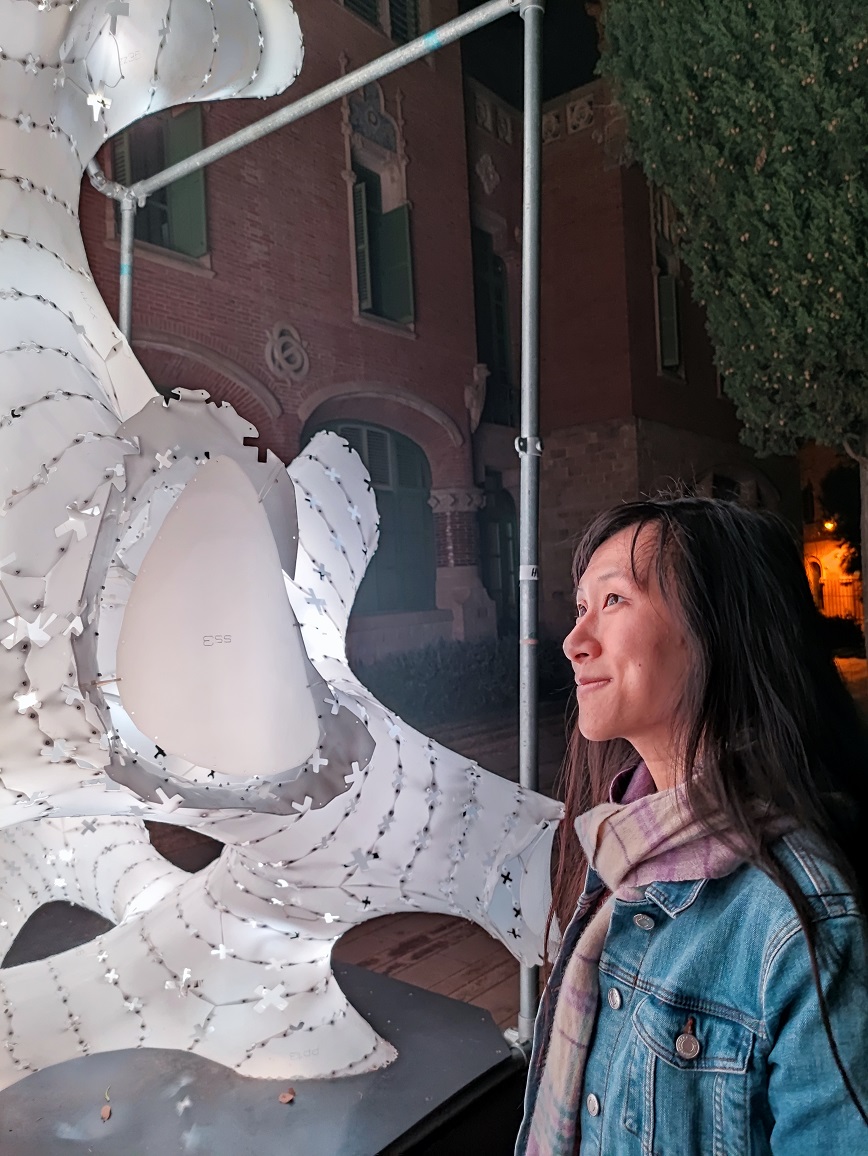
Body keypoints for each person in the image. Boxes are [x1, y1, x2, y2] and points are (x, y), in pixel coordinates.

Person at [516, 496, 868, 1155]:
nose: (574, 642)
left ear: (720, 629)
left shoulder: (804, 918)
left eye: (614, 600)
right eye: (581, 607)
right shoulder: (626, 846)